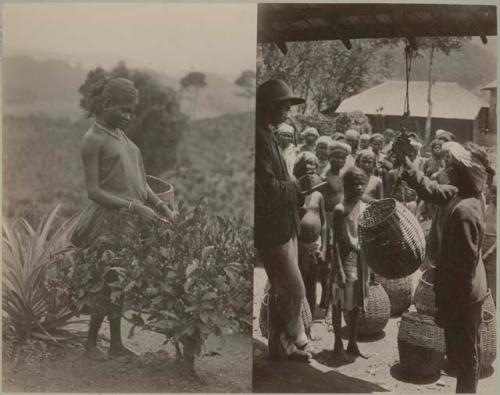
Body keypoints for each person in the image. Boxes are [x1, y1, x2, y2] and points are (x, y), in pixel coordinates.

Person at [72, 77, 177, 360]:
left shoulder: (123, 139)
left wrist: (163, 208)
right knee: (104, 280)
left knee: (120, 281)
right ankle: (91, 343)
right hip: (106, 220)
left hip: (130, 220)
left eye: (131, 110)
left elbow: (142, 186)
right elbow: (93, 191)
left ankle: (116, 344)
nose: (128, 116)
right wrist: (134, 208)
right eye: (123, 109)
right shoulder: (92, 139)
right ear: (106, 104)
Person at [401, 141, 489, 393]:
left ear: (462, 172)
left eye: (452, 164)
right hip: (465, 288)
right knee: (464, 350)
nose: (447, 167)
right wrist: (407, 165)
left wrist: (447, 305)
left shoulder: (465, 211)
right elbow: (432, 190)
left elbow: (462, 269)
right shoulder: (463, 194)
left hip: (464, 293)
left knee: (464, 355)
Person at [255, 79, 313, 362]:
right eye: (284, 106)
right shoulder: (259, 138)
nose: (288, 111)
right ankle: (295, 338)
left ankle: (281, 346)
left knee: (284, 289)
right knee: (294, 288)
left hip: (283, 225)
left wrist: (296, 188)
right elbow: (266, 189)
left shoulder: (268, 135)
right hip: (272, 229)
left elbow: (280, 181)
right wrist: (296, 187)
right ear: (269, 107)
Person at [331, 166, 370, 362]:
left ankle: (352, 343)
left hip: (361, 261)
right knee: (339, 302)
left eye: (362, 183)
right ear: (346, 186)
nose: (359, 187)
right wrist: (338, 268)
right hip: (345, 260)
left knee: (356, 303)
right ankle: (337, 344)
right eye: (355, 184)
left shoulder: (364, 207)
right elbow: (336, 242)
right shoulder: (340, 209)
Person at [293, 152, 328, 319]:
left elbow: (324, 223)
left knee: (312, 284)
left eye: (313, 171)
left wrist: (324, 248)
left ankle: (310, 322)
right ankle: (297, 319)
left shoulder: (318, 196)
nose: (310, 174)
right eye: (306, 170)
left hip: (315, 246)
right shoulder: (294, 192)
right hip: (298, 246)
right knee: (296, 284)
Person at [319, 141, 351, 310]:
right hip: (329, 221)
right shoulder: (325, 177)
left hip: (343, 221)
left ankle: (335, 300)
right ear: (330, 158)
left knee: (341, 262)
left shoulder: (345, 177)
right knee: (328, 264)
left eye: (342, 158)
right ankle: (326, 298)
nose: (339, 161)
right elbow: (321, 204)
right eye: (336, 157)